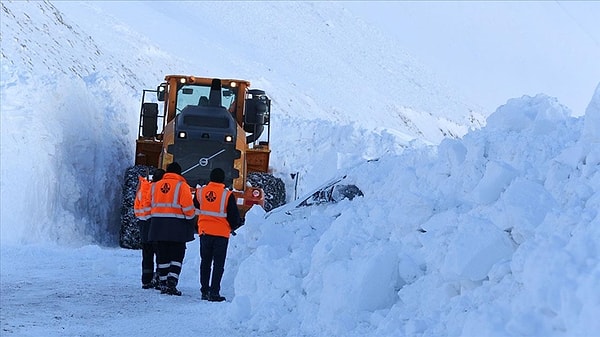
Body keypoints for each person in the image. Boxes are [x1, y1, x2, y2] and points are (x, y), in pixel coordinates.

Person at [147, 162, 196, 296]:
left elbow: (149, 203)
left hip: (158, 225)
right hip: (177, 226)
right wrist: (191, 217)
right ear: (179, 173)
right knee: (177, 256)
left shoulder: (155, 186)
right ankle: (172, 282)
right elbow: (187, 207)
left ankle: (162, 283)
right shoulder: (182, 186)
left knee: (163, 255)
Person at [194, 168, 242, 302]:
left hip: (204, 232)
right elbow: (233, 216)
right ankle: (214, 292)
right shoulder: (227, 195)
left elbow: (195, 206)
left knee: (205, 262)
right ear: (223, 179)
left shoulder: (201, 192)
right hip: (221, 234)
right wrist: (233, 226)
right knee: (218, 264)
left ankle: (204, 291)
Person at [134, 169, 165, 290]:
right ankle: (158, 279)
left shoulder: (144, 188)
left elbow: (136, 205)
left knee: (147, 255)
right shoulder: (158, 190)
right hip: (155, 224)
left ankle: (146, 280)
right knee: (160, 254)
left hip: (143, 225)